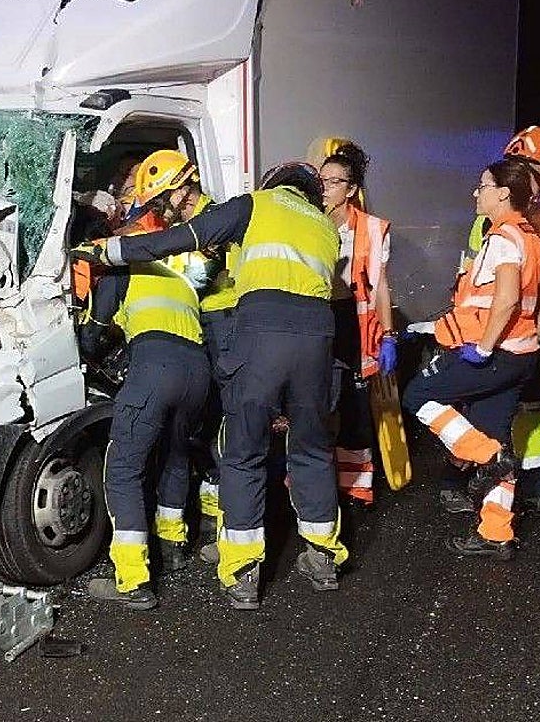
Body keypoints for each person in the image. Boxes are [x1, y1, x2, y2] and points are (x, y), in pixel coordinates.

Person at [73, 161, 345, 609]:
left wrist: (107, 253)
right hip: (318, 339)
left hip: (261, 332)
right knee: (311, 448)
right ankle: (323, 559)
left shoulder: (253, 205)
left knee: (243, 450)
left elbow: (177, 239)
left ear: (272, 186)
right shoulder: (324, 226)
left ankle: (242, 574)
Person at [402, 158, 540, 560]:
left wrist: (486, 346)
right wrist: (531, 334)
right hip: (522, 357)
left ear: (503, 194)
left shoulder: (503, 237)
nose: (477, 192)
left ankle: (488, 458)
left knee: (418, 396)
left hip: (494, 356)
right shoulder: (532, 238)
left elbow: (505, 298)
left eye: (483, 185)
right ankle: (496, 533)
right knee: (493, 434)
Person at [77, 175, 211, 609]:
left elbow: (97, 330)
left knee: (124, 468)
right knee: (175, 453)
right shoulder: (176, 269)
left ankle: (132, 581)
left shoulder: (123, 261)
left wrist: (87, 343)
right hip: (197, 370)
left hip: (155, 366)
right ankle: (173, 545)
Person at [441, 125, 540, 520]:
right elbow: (484, 286)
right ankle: (459, 483)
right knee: (477, 410)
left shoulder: (532, 215)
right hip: (491, 334)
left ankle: (535, 483)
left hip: (517, 336)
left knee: (531, 409)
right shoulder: (497, 221)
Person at [127, 150, 232, 541]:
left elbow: (201, 275)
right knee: (197, 434)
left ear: (180, 190)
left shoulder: (214, 220)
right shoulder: (189, 223)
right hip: (200, 331)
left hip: (225, 326)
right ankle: (203, 521)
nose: (158, 209)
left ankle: (224, 527)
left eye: (159, 200)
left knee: (224, 431)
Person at [319, 143, 397, 505]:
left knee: (353, 405)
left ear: (351, 189)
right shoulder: (309, 221)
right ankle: (307, 479)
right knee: (314, 402)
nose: (325, 188)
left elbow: (380, 284)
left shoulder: (372, 228)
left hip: (352, 321)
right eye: (322, 180)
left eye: (335, 182)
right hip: (316, 319)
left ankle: (354, 485)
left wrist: (389, 335)